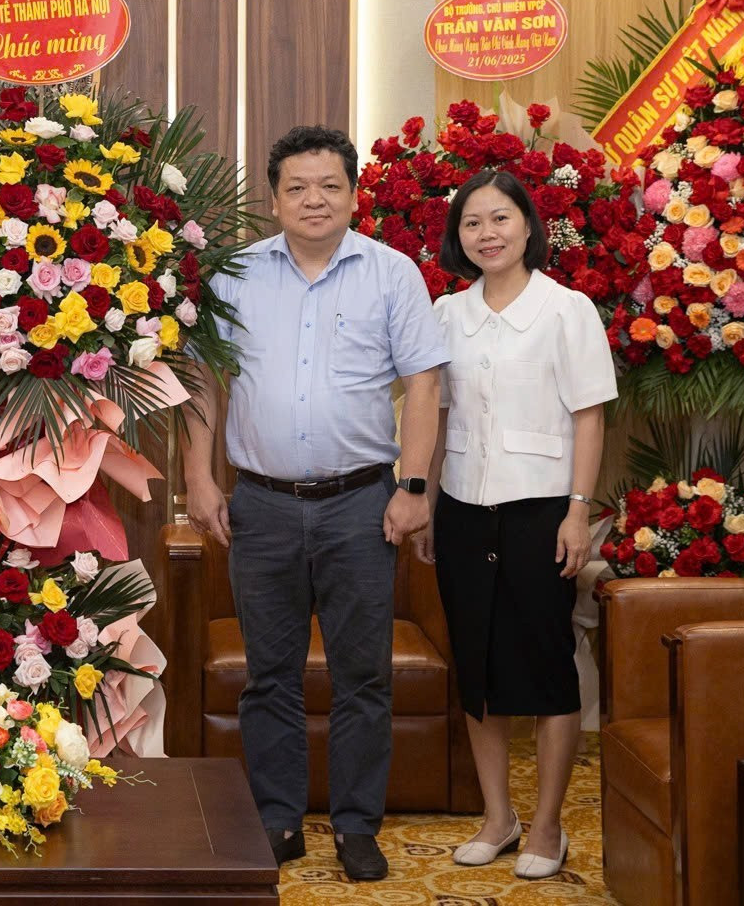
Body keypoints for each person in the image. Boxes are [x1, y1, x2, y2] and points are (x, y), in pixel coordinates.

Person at [182, 124, 446, 883]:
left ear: (356, 195)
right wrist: (199, 477)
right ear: (272, 200)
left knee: (364, 676)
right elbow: (201, 382)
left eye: (330, 185)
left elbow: (424, 385)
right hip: (260, 504)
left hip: (360, 503)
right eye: (296, 187)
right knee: (271, 675)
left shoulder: (392, 275)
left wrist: (414, 485)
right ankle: (278, 820)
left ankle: (359, 827)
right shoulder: (232, 275)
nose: (314, 199)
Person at [418, 168, 615, 879]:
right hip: (467, 509)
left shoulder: (568, 310)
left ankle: (546, 825)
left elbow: (590, 416)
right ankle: (497, 817)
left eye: (499, 219)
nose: (487, 234)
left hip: (543, 512)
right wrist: (430, 503)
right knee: (479, 669)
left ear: (528, 226)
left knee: (546, 667)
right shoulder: (446, 314)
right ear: (457, 236)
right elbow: (434, 419)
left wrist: (578, 511)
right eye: (472, 223)